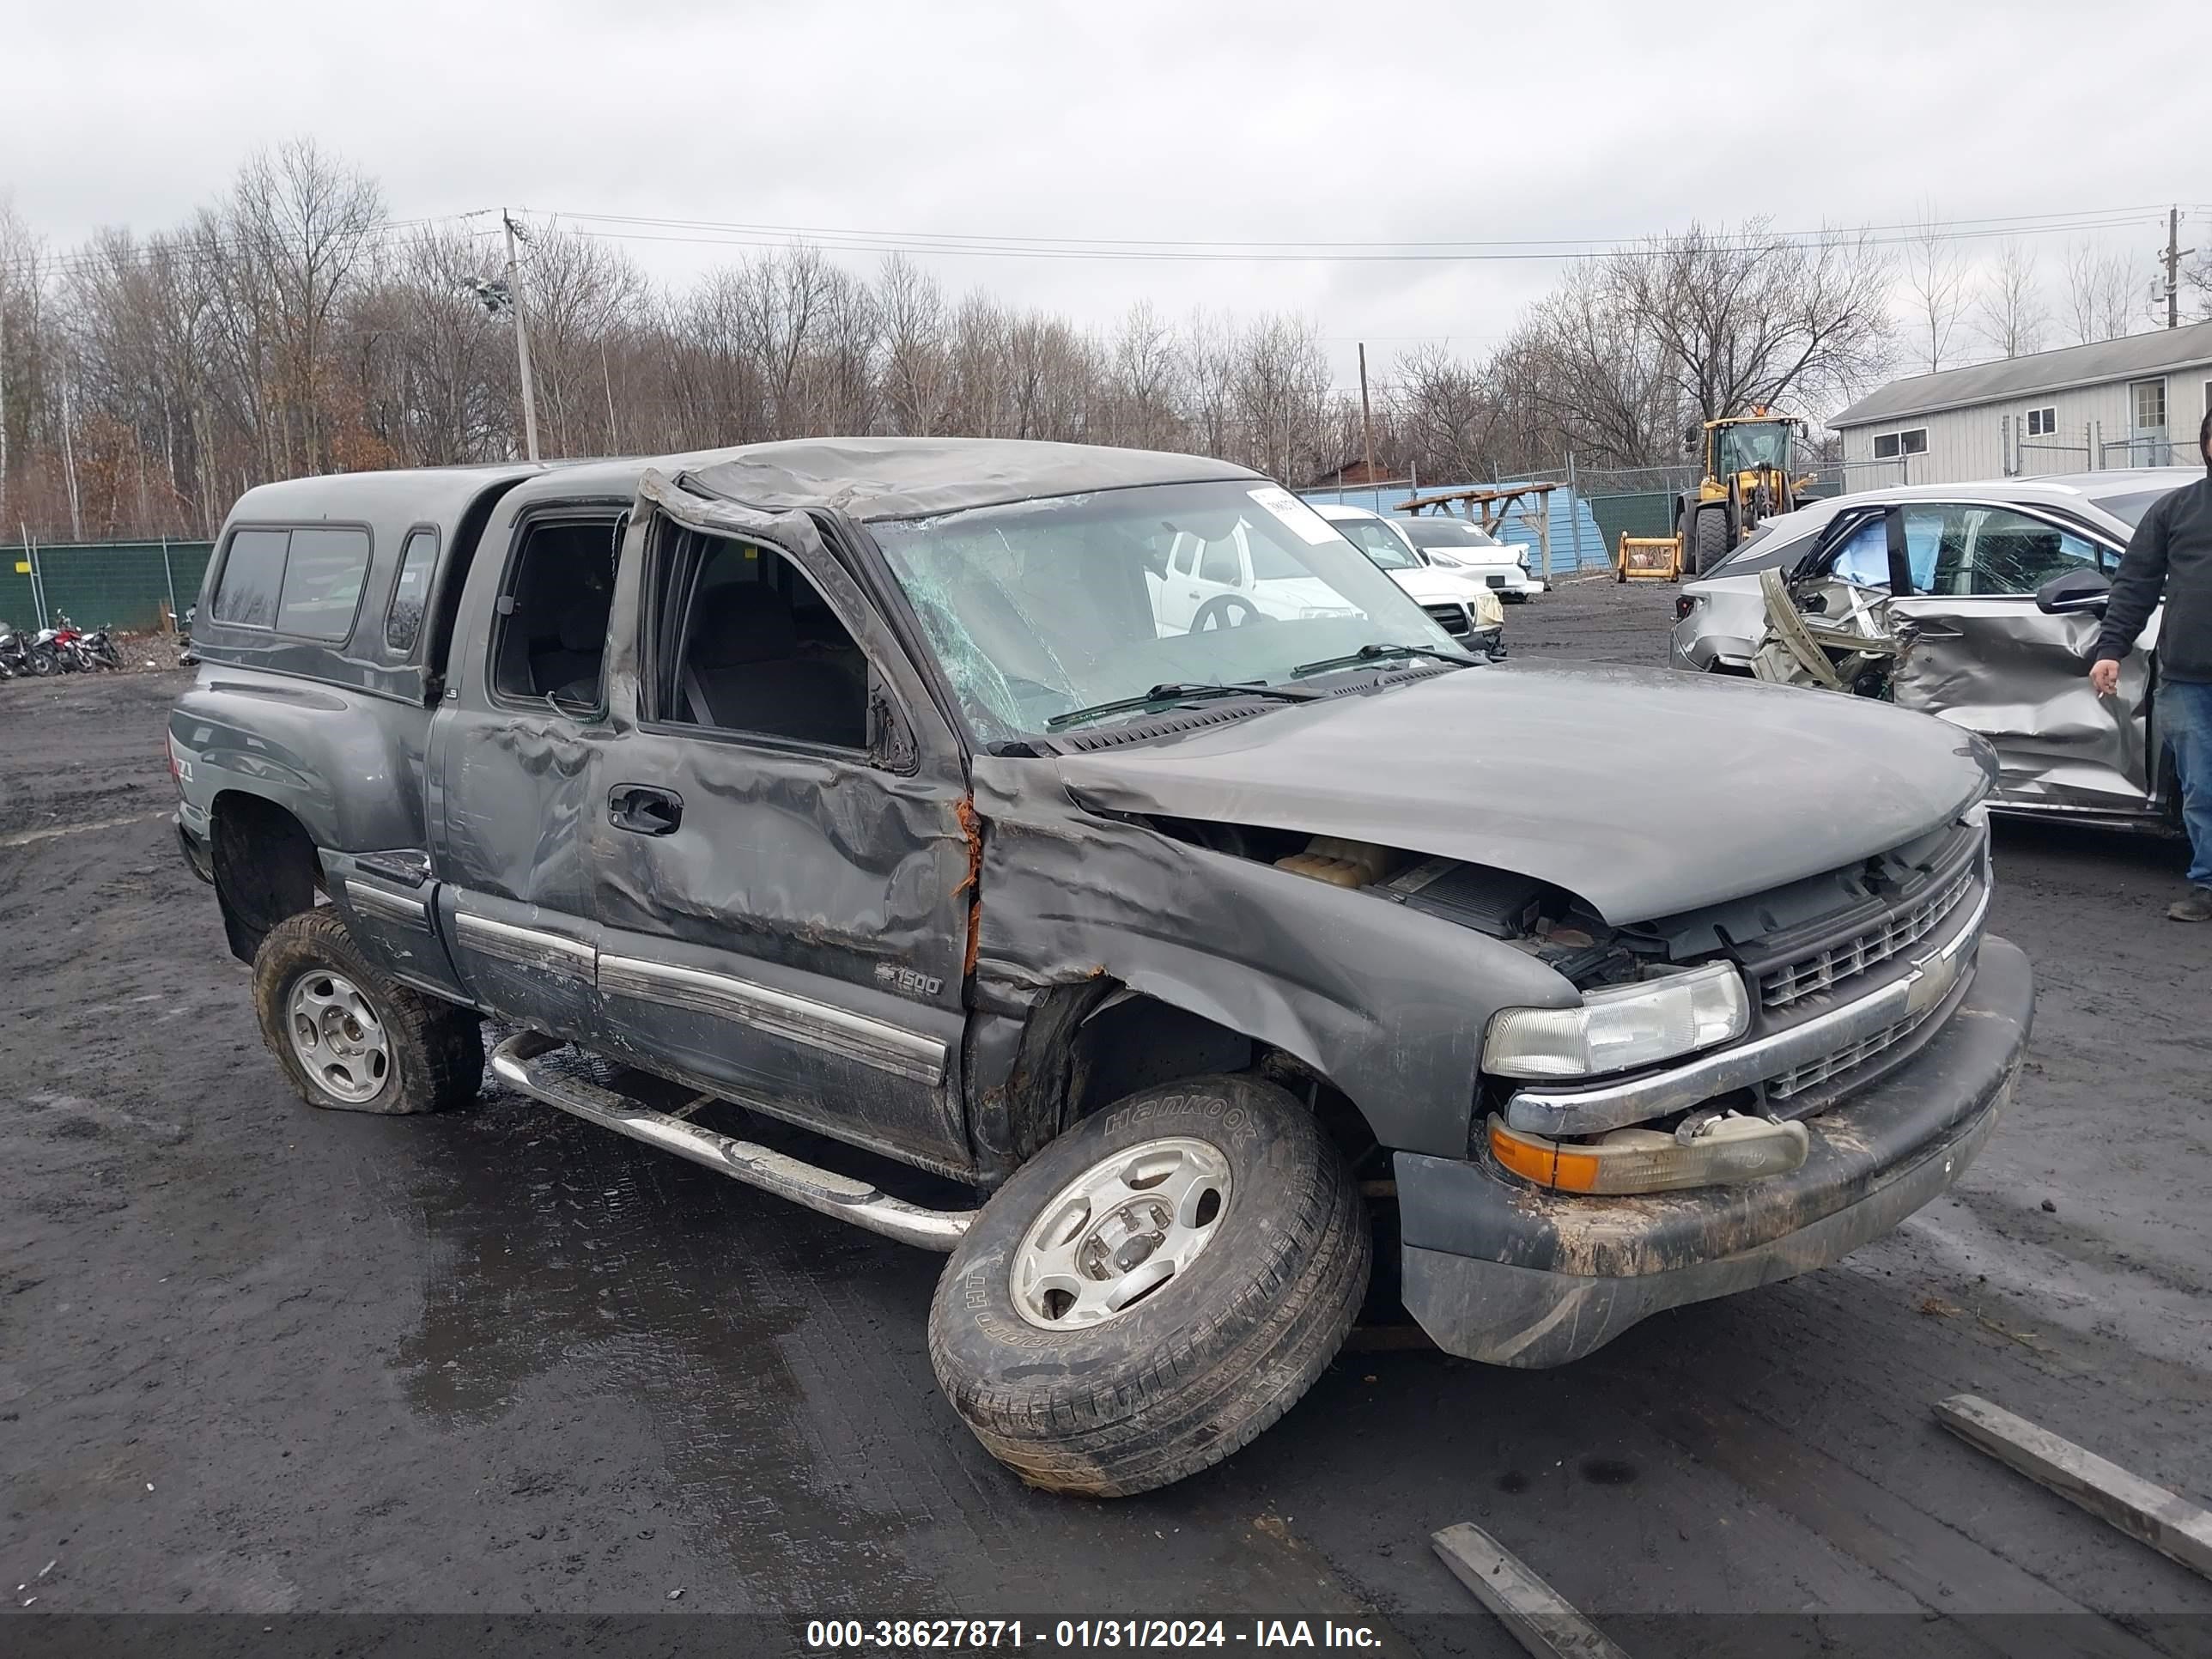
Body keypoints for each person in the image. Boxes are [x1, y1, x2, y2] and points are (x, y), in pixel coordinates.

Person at [2090, 407, 2212, 921]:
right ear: (2206, 444)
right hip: (2190, 677)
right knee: (2202, 788)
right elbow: (2135, 584)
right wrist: (2110, 649)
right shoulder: (2175, 510)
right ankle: (2208, 884)